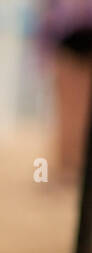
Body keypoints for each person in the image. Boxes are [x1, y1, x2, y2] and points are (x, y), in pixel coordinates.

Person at [37, 0, 92, 183]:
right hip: (70, 37)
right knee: (69, 113)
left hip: (71, 34)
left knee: (70, 113)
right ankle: (67, 168)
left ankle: (68, 168)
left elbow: (49, 19)